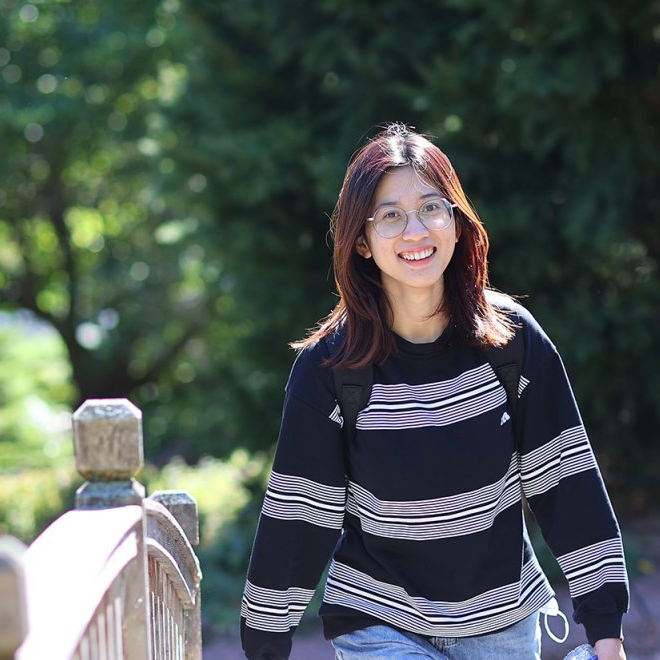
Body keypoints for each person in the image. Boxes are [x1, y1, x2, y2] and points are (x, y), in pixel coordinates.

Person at [240, 124, 629, 660]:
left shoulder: (511, 342)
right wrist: (265, 644)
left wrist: (606, 630)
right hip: (378, 621)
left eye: (430, 208)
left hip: (503, 623)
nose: (415, 231)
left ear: (456, 221)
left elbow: (568, 485)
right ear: (361, 241)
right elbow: (300, 513)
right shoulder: (330, 367)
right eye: (390, 216)